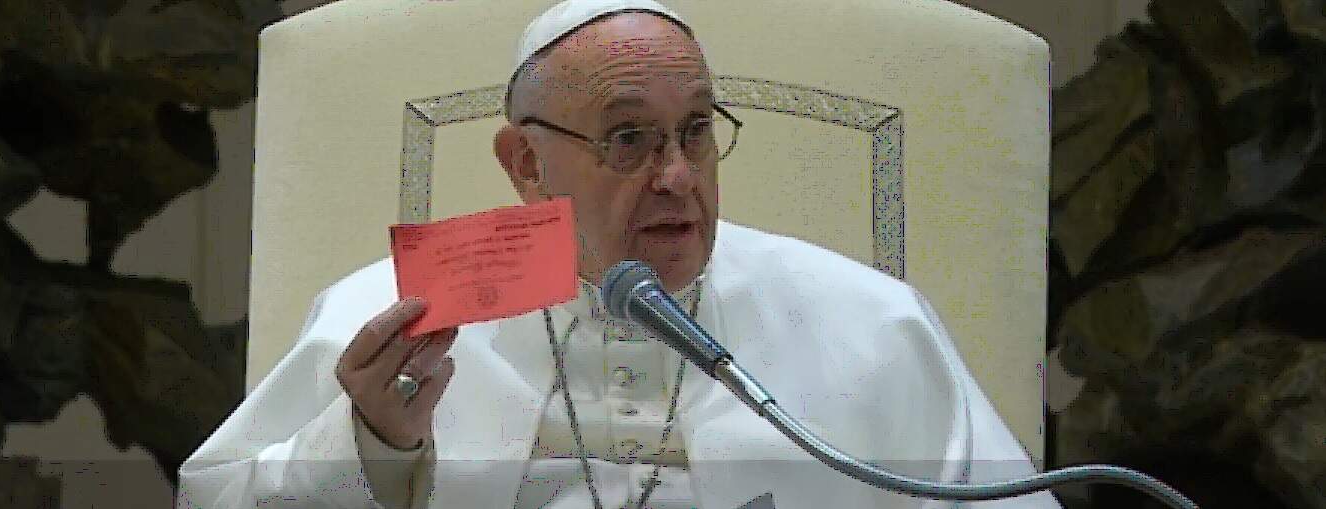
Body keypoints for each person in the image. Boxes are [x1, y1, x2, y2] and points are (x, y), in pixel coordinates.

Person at [177, 0, 1062, 507]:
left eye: (696, 131)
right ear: (526, 163)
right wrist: (371, 441)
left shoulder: (868, 322)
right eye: (628, 138)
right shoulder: (392, 318)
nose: (675, 175)